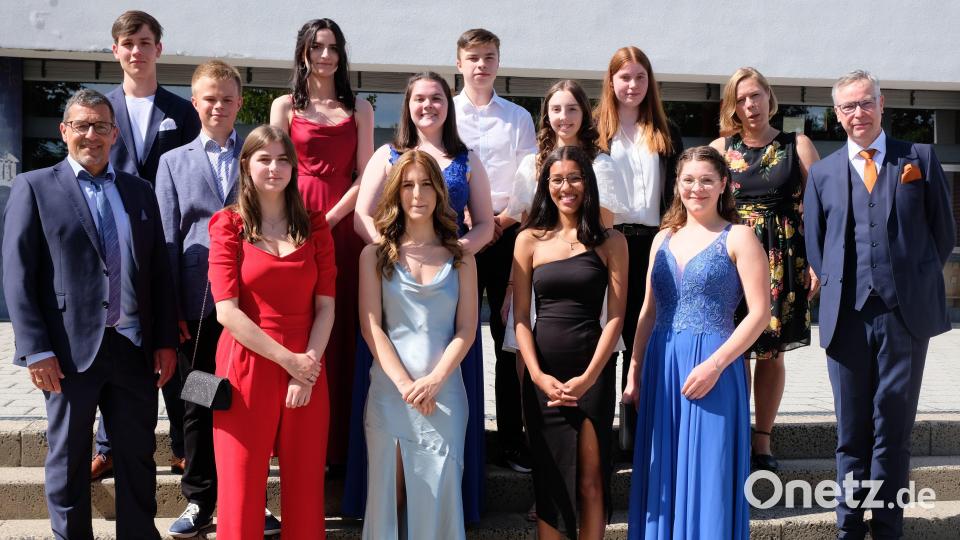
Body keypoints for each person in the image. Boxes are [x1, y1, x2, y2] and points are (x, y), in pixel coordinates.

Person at [2, 88, 178, 539]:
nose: (92, 135)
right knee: (68, 455)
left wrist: (163, 342)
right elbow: (18, 275)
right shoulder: (35, 186)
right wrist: (35, 349)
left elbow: (157, 270)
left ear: (115, 134)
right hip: (66, 353)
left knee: (137, 455)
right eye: (81, 125)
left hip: (133, 346)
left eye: (101, 126)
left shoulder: (139, 192)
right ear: (64, 132)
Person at [803, 70, 955, 540]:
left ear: (882, 103)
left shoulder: (920, 159)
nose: (857, 114)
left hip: (902, 317)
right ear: (837, 114)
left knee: (893, 427)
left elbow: (943, 235)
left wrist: (908, 279)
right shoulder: (824, 173)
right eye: (847, 107)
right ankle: (848, 526)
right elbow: (816, 245)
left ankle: (888, 527)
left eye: (865, 103)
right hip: (845, 317)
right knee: (851, 430)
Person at [345, 71, 494, 522]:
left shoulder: (467, 159)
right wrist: (395, 252)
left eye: (436, 98)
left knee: (437, 487)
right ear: (407, 105)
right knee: (389, 489)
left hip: (444, 353)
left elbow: (485, 223)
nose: (427, 105)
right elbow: (361, 215)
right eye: (418, 98)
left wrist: (449, 256)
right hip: (393, 348)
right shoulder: (386, 157)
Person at [154, 60, 280, 537]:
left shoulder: (257, 155)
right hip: (199, 311)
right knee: (199, 400)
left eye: (228, 98)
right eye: (210, 98)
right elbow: (166, 239)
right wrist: (171, 312)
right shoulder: (174, 162)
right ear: (195, 102)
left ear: (239, 103)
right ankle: (201, 499)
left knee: (248, 405)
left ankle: (250, 497)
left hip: (252, 308)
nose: (219, 106)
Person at [623, 146, 769, 539]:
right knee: (663, 472)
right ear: (676, 186)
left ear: (724, 184)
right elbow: (648, 313)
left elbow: (759, 314)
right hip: (662, 365)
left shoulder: (739, 236)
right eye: (688, 180)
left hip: (716, 366)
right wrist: (635, 370)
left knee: (710, 473)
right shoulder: (662, 239)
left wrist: (716, 365)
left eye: (706, 180)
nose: (696, 188)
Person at [207, 125, 336, 539]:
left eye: (283, 159)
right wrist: (290, 362)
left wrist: (307, 366)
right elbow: (226, 311)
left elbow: (327, 307)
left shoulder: (315, 225)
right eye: (264, 158)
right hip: (245, 364)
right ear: (246, 165)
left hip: (308, 363)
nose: (275, 168)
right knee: (241, 491)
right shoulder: (228, 225)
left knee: (304, 490)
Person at [94, 9, 200, 481]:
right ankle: (107, 444)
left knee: (174, 343)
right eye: (127, 43)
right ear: (115, 51)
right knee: (110, 343)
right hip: (112, 249)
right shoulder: (100, 111)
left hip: (169, 244)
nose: (136, 51)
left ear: (159, 48)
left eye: (144, 42)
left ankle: (182, 446)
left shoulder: (183, 112)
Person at [270, 18, 374, 467]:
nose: (325, 55)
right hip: (294, 224)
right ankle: (294, 435)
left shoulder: (361, 108)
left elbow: (366, 173)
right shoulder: (283, 107)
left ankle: (342, 444)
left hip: (345, 223)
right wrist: (304, 224)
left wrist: (328, 219)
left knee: (345, 321)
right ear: (304, 53)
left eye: (332, 47)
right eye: (317, 47)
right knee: (299, 319)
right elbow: (273, 168)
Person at [358, 149, 477, 539]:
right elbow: (372, 326)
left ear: (439, 192)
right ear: (395, 193)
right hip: (391, 394)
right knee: (387, 499)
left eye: (426, 184)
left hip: (445, 395)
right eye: (407, 185)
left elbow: (468, 328)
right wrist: (409, 386)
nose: (417, 194)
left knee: (438, 499)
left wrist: (435, 380)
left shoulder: (463, 257)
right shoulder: (373, 255)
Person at [512, 145, 628, 540]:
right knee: (549, 483)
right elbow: (521, 319)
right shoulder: (528, 240)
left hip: (591, 373)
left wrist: (589, 378)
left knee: (592, 481)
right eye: (557, 179)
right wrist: (538, 375)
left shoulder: (612, 241)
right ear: (546, 185)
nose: (567, 187)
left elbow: (615, 317)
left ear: (588, 183)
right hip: (543, 375)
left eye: (575, 177)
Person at [709, 67, 820, 472]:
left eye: (755, 95)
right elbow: (701, 204)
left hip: (784, 257)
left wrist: (816, 263)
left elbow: (821, 212)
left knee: (771, 353)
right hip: (733, 260)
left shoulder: (798, 144)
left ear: (769, 98)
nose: (749, 105)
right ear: (732, 106)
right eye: (740, 98)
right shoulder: (720, 148)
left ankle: (763, 441)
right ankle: (733, 433)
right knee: (733, 349)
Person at [453, 28, 537, 474]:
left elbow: (528, 180)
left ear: (499, 62)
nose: (481, 64)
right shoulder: (444, 112)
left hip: (507, 237)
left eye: (489, 56)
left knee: (509, 339)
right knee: (454, 333)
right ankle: (462, 437)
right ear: (460, 62)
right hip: (457, 238)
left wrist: (498, 221)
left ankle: (512, 440)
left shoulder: (519, 118)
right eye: (473, 57)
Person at [502, 79, 627, 367]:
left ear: (584, 113)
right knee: (528, 366)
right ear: (546, 115)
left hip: (584, 284)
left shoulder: (601, 166)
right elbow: (525, 228)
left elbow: (602, 234)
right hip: (538, 283)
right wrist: (512, 287)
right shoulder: (530, 165)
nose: (564, 117)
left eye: (572, 109)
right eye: (556, 109)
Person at [594, 46, 683, 395]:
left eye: (640, 77)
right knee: (608, 331)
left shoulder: (665, 129)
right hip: (607, 240)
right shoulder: (594, 129)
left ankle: (637, 442)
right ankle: (599, 439)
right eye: (625, 77)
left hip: (654, 241)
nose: (633, 85)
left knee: (642, 338)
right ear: (611, 80)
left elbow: (677, 189)